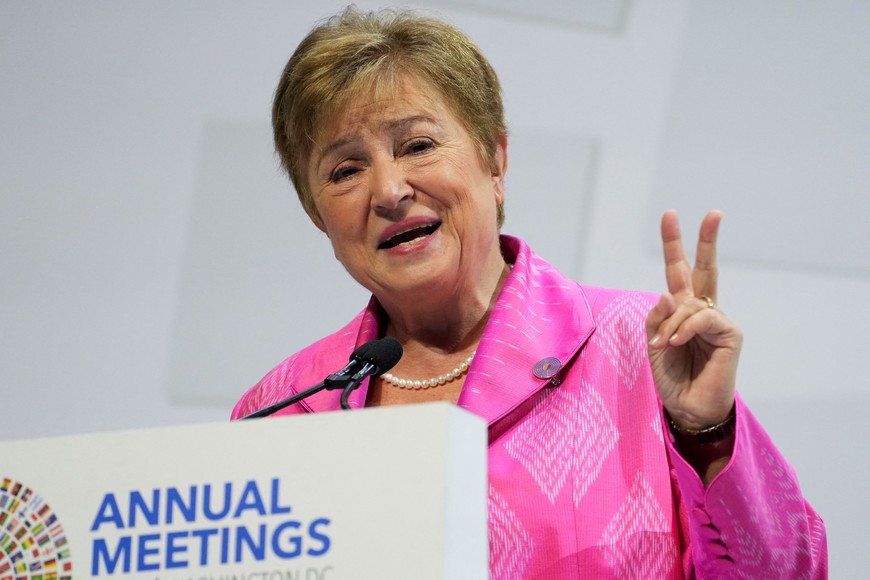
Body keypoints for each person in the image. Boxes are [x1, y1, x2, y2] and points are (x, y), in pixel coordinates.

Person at [232, 6, 827, 578]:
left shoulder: (638, 346)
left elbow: (792, 574)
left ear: (495, 161)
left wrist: (707, 434)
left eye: (418, 146)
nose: (389, 191)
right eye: (345, 171)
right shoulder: (281, 409)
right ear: (317, 216)